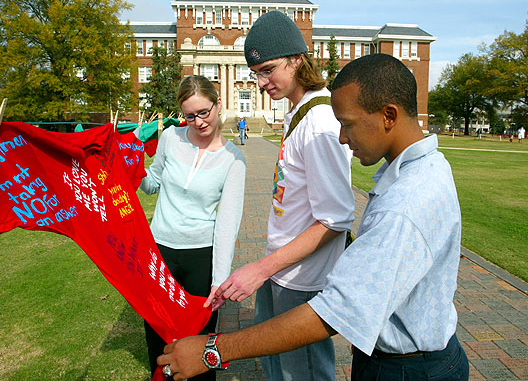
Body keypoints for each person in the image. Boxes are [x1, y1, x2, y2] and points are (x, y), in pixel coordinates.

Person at [157, 54, 469, 381]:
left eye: (347, 125)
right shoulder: (424, 167)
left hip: (407, 369)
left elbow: (339, 310)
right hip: (403, 355)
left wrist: (214, 350)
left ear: (388, 115)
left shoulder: (406, 202)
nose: (343, 139)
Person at [212, 10, 355, 381]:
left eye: (268, 69)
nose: (260, 83)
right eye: (255, 73)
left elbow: (336, 219)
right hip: (282, 271)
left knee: (302, 374)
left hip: (304, 280)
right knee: (276, 368)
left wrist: (259, 269)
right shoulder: (298, 113)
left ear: (297, 59)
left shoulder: (321, 123)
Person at [139, 75, 246, 380]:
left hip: (201, 257)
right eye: (189, 115)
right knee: (157, 334)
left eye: (204, 112)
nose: (198, 122)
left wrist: (219, 281)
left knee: (199, 342)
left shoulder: (233, 159)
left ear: (218, 104)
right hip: (160, 252)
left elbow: (227, 223)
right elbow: (152, 182)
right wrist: (132, 168)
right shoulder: (171, 138)